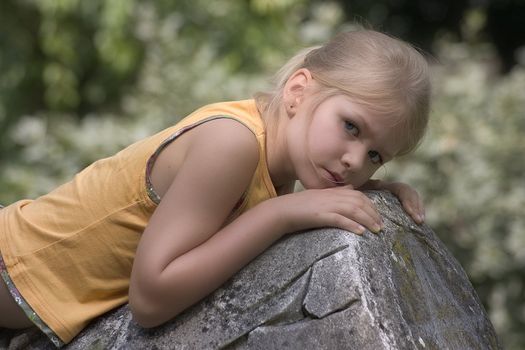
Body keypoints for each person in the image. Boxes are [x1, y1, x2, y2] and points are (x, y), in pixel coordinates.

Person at [0, 29, 430, 347]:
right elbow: (150, 299)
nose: (355, 160)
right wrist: (281, 215)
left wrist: (374, 193)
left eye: (376, 155)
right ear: (299, 91)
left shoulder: (276, 165)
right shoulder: (233, 144)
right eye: (351, 127)